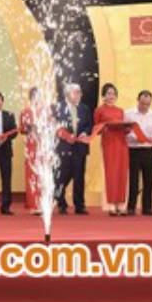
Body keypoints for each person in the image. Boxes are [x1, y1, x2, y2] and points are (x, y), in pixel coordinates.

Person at [55, 83, 93, 215]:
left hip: (80, 146)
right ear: (68, 94)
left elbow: (89, 125)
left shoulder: (85, 108)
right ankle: (61, 203)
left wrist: (85, 133)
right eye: (76, 92)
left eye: (80, 92)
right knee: (62, 177)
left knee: (79, 176)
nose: (79, 95)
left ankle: (80, 205)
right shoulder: (58, 108)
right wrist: (66, 135)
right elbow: (55, 125)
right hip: (63, 146)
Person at [95, 83, 129, 216]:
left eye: (114, 93)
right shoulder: (99, 110)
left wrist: (127, 128)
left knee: (121, 172)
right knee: (110, 173)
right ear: (103, 95)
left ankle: (121, 204)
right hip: (109, 144)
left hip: (122, 144)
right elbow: (96, 129)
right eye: (109, 93)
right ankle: (110, 205)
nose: (111, 96)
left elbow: (124, 128)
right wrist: (105, 127)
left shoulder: (120, 110)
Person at [125, 90, 152, 216]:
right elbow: (125, 131)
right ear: (138, 100)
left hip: (149, 150)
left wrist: (149, 138)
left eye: (147, 104)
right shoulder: (128, 114)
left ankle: (147, 207)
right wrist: (135, 137)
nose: (145, 106)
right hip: (133, 150)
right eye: (142, 103)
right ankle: (131, 207)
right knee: (133, 181)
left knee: (149, 181)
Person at [19, 87, 41, 215]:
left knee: (43, 175)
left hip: (43, 146)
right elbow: (22, 129)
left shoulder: (46, 111)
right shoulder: (25, 111)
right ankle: (33, 204)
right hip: (31, 145)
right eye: (33, 95)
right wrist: (29, 128)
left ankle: (43, 203)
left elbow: (51, 126)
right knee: (32, 174)